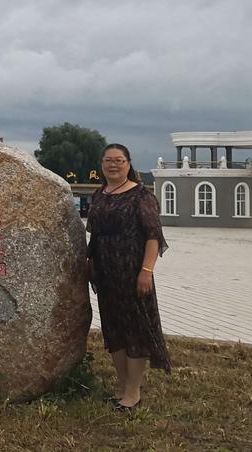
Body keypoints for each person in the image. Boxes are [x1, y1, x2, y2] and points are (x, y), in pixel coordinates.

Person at [86, 143, 171, 411]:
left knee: (135, 331)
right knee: (114, 331)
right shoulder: (100, 194)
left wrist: (146, 271)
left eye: (119, 160)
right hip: (106, 275)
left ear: (128, 163)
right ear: (102, 165)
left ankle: (133, 393)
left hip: (133, 275)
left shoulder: (141, 195)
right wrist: (90, 265)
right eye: (108, 160)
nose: (113, 164)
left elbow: (153, 237)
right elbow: (95, 235)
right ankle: (122, 386)